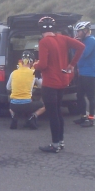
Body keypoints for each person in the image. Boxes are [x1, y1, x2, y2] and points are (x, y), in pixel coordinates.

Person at [33, 16, 85, 153]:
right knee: (58, 113)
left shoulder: (44, 42)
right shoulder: (63, 38)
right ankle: (60, 142)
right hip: (62, 81)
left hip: (50, 83)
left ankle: (55, 144)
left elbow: (43, 64)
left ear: (40, 30)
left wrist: (35, 65)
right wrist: (72, 65)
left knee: (53, 115)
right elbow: (81, 46)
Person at [7, 51, 45, 129]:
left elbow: (8, 87)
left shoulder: (13, 73)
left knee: (11, 99)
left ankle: (14, 115)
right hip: (27, 105)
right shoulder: (33, 72)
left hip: (13, 106)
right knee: (45, 105)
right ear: (32, 62)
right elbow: (42, 85)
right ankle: (32, 117)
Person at [73, 21, 95, 127]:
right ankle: (83, 116)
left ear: (85, 31)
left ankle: (91, 119)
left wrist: (77, 44)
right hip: (83, 72)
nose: (77, 33)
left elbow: (83, 54)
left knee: (90, 96)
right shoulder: (84, 41)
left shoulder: (91, 41)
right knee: (79, 96)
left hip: (90, 73)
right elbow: (73, 52)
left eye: (79, 31)